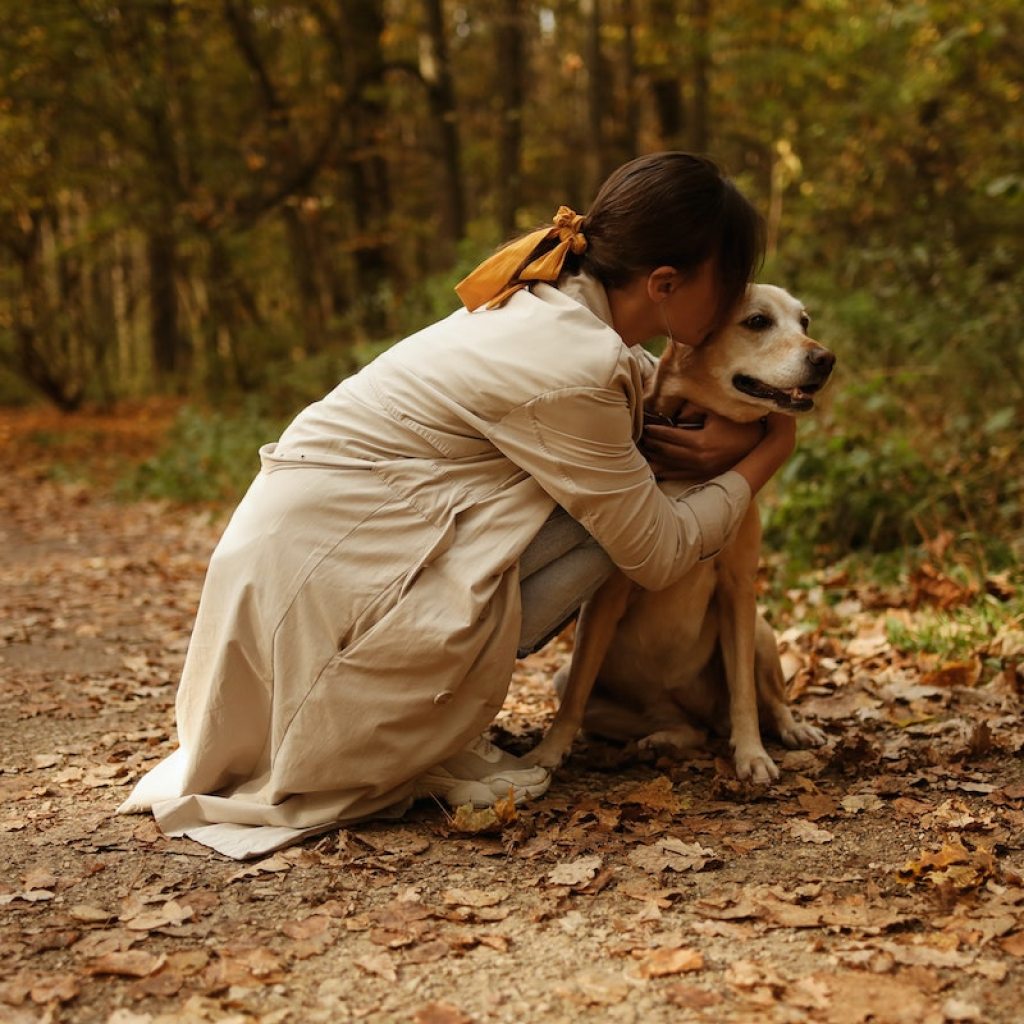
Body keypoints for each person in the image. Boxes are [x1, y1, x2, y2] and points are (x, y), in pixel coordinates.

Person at [119, 152, 794, 860]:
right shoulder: (577, 364)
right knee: (629, 517)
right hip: (329, 591)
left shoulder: (550, 304)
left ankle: (424, 719)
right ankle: (393, 727)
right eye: (730, 290)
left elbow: (635, 412)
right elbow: (654, 554)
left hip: (300, 564)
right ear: (664, 284)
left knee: (616, 491)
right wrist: (770, 447)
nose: (732, 306)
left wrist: (721, 431)